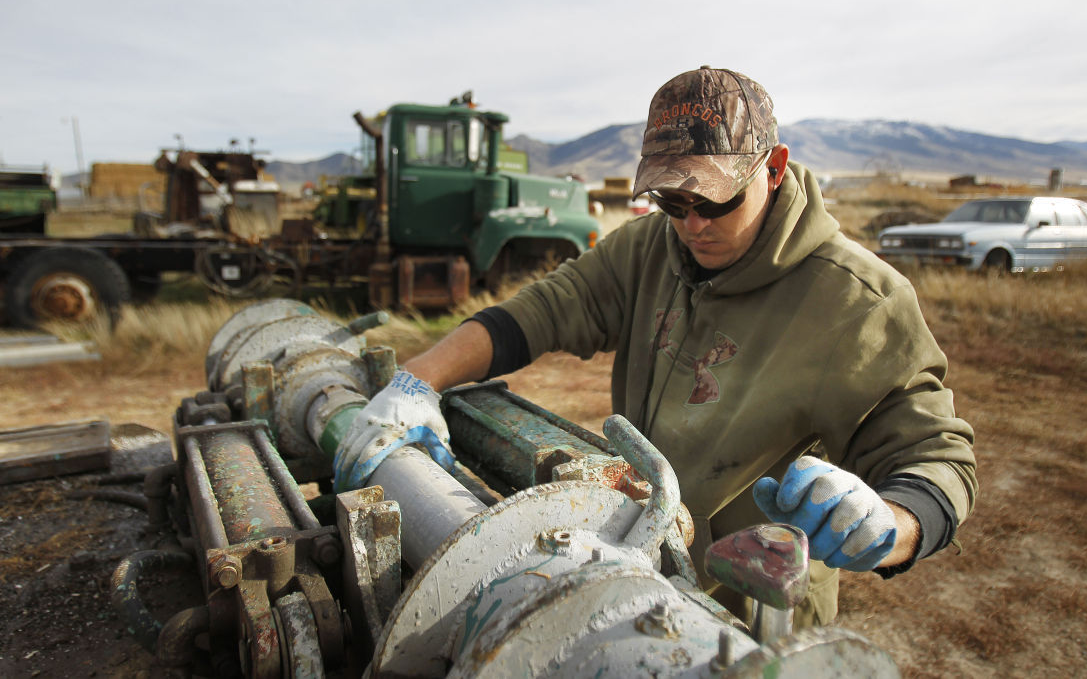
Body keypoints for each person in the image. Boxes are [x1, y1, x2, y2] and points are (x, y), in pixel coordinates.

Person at [335, 66, 978, 628]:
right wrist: (416, 383)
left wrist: (889, 526)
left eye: (715, 200)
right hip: (629, 573)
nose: (692, 224)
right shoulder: (651, 249)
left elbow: (936, 458)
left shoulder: (856, 302)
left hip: (746, 611)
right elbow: (539, 311)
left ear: (773, 169)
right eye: (672, 200)